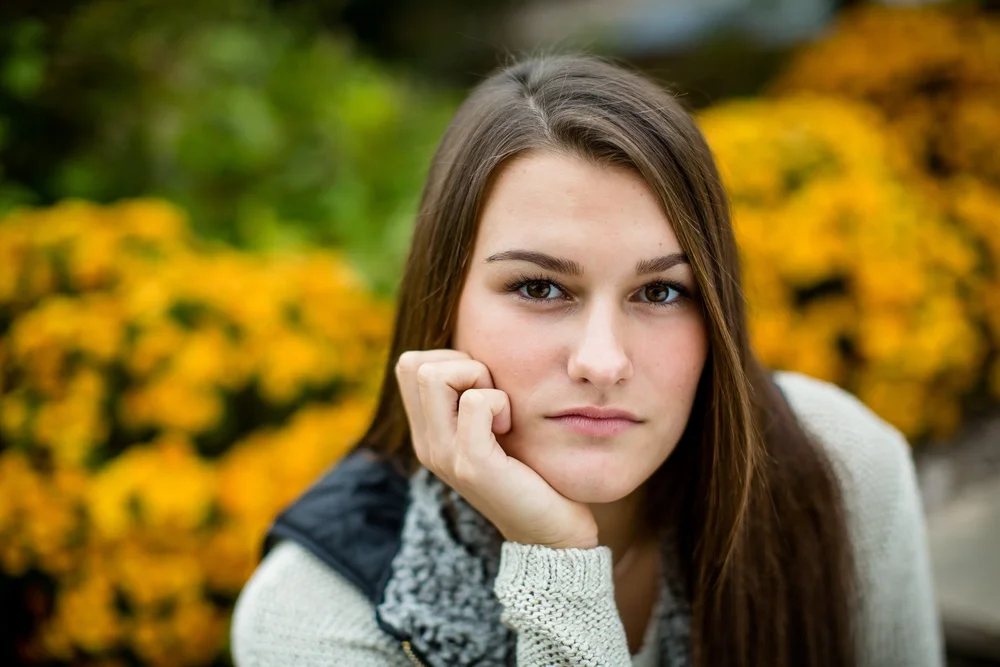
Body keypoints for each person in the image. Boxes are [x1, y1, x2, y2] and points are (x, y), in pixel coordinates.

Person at [230, 55, 943, 667]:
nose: (602, 361)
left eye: (661, 290)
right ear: (442, 303)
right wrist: (557, 561)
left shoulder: (842, 465)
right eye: (540, 287)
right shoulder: (317, 618)